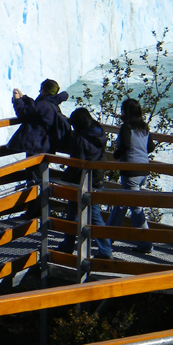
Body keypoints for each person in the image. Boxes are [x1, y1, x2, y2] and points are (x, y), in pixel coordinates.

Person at [61, 108, 113, 258]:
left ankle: (70, 246)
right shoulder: (99, 133)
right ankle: (103, 249)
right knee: (95, 217)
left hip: (81, 182)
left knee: (74, 215)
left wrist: (65, 180)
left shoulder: (80, 139)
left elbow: (77, 164)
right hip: (97, 179)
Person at [106, 98, 156, 254]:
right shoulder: (144, 128)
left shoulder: (126, 127)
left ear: (125, 111)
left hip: (130, 170)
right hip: (143, 170)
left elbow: (126, 145)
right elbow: (151, 147)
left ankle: (145, 244)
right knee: (121, 204)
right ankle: (107, 236)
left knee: (135, 208)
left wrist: (116, 154)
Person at [6, 79, 70, 183]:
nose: (39, 91)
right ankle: (38, 196)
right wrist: (25, 98)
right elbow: (35, 108)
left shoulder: (44, 105)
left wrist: (17, 100)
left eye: (41, 89)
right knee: (39, 174)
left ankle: (36, 198)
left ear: (45, 91)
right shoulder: (51, 104)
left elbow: (24, 113)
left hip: (37, 146)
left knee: (34, 177)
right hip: (46, 146)